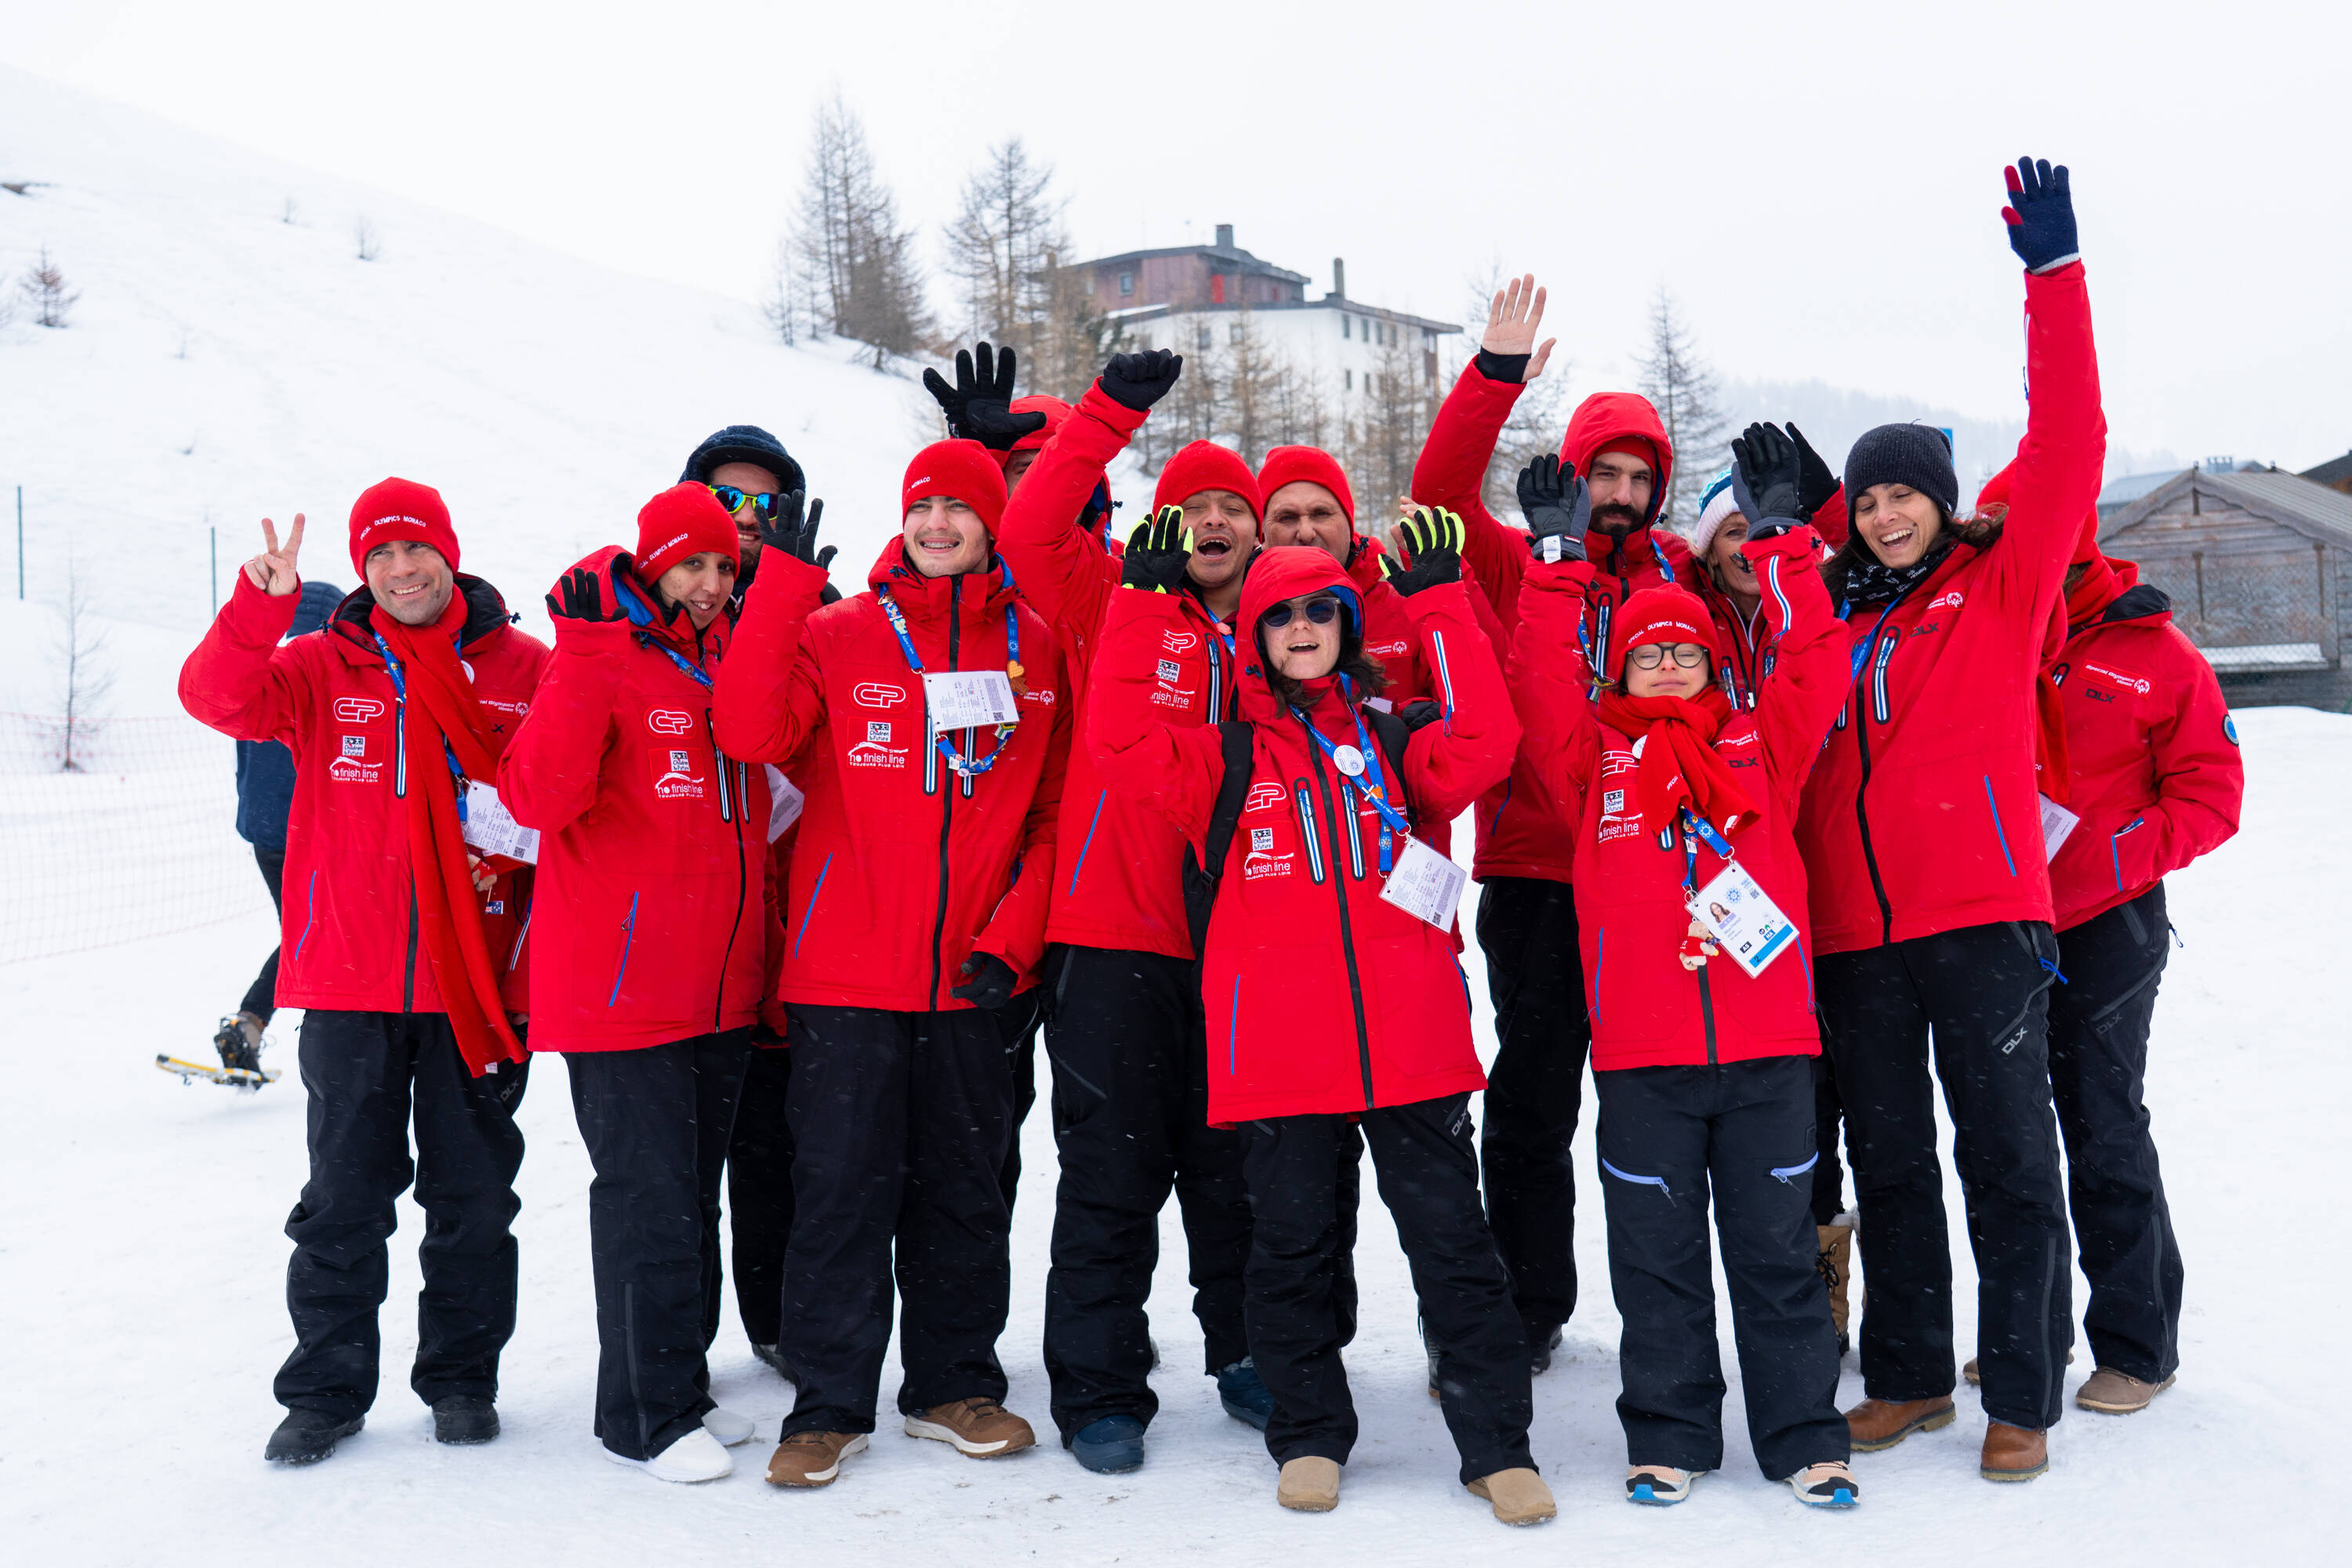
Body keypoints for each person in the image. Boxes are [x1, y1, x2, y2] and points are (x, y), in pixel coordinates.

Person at [1089, 507, 1555, 1526]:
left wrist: (1442, 602)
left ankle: (1496, 1447)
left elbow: (1488, 741)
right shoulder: (1222, 758)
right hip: (1280, 1044)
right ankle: (1307, 1433)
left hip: (1410, 1038)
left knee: (1453, 1246)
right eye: (1280, 614)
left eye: (1321, 610)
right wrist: (1137, 607)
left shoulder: (1396, 738)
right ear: (1254, 634)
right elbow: (1117, 740)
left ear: (1347, 623)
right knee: (1292, 1247)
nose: (1301, 627)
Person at [1795, 155, 2107, 1484]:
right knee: (1890, 1162)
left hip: (1981, 919)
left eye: (1904, 492)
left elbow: (2073, 437)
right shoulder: (1839, 619)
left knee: (2009, 1160)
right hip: (1858, 936)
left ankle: (2020, 1394)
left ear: (1942, 496)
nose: (1885, 514)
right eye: (1867, 499)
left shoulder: (2002, 588)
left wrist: (2054, 279)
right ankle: (1913, 1376)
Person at [931, 343, 1272, 1474]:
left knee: (1237, 1171)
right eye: (1196, 505)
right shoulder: (1108, 595)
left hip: (1244, 940)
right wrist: (1106, 414)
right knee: (1111, 1175)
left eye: (1235, 507)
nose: (1215, 521)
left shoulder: (1287, 626)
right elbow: (1028, 530)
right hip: (1113, 934)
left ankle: (1247, 1350)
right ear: (1168, 522)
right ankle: (1100, 1386)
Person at [712, 438, 1069, 1490]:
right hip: (845, 975)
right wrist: (780, 590)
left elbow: (1055, 815)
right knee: (838, 1192)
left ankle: (954, 1386)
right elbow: (747, 730)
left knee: (966, 1189)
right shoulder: (840, 631)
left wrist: (1012, 939)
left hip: (975, 977)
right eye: (923, 507)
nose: (937, 524)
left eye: (960, 508)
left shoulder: (1039, 645)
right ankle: (827, 1405)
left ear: (991, 523)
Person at [1508, 431, 1857, 1509]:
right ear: (1618, 668)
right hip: (1644, 1060)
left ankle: (1804, 1436)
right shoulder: (1591, 762)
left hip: (1768, 1056)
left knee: (1776, 1256)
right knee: (1656, 1264)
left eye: (1687, 651)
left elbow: (1816, 657)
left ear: (1714, 663)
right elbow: (1538, 681)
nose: (1667, 663)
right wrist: (1557, 564)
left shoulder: (1762, 745)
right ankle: (1669, 1434)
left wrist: (1787, 539)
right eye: (1648, 652)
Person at [178, 480, 546, 1465]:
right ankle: (326, 1392)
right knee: (341, 1203)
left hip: (477, 988)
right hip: (348, 983)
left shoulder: (523, 667)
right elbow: (215, 696)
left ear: (447, 552)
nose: (399, 569)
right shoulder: (317, 664)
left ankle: (462, 1379)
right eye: (379, 554)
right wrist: (259, 606)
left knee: (474, 1200)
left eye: (414, 548)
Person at [1409, 276, 1691, 1368]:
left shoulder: (1677, 575)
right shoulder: (1515, 557)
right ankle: (1526, 1305)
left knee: (1660, 1099)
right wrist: (1494, 377)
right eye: (1602, 473)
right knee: (1533, 1102)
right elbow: (1438, 488)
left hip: (1654, 870)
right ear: (1573, 475)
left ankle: (1670, 1308)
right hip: (1537, 871)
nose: (1618, 494)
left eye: (1637, 478)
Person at [498, 483, 788, 1483]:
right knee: (646, 1205)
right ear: (652, 565)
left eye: (722, 565)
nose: (709, 583)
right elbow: (536, 795)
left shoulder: (723, 656)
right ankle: (642, 1415)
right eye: (690, 564)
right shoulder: (601, 656)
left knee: (691, 1202)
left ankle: (680, 1387)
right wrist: (584, 658)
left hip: (716, 985)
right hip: (623, 991)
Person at [1955, 503, 2239, 1414]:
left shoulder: (2157, 653)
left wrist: (2114, 857)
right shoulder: (1985, 626)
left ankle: (2138, 1343)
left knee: (2101, 1119)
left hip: (2106, 922)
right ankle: (2029, 1330)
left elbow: (2212, 793)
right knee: (2007, 1132)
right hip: (1998, 917)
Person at [677, 423, 815, 1381]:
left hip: (799, 923)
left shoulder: (824, 612)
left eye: (766, 503)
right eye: (727, 498)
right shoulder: (646, 617)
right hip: (688, 929)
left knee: (782, 1142)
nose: (747, 518)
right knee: (679, 1162)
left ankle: (781, 1320)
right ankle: (674, 1351)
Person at [212, 575, 342, 1079]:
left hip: (266, 832)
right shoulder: (323, 673)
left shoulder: (262, 673)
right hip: (312, 834)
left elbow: (243, 757)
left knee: (304, 931)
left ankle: (254, 1023)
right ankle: (261, 1023)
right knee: (313, 932)